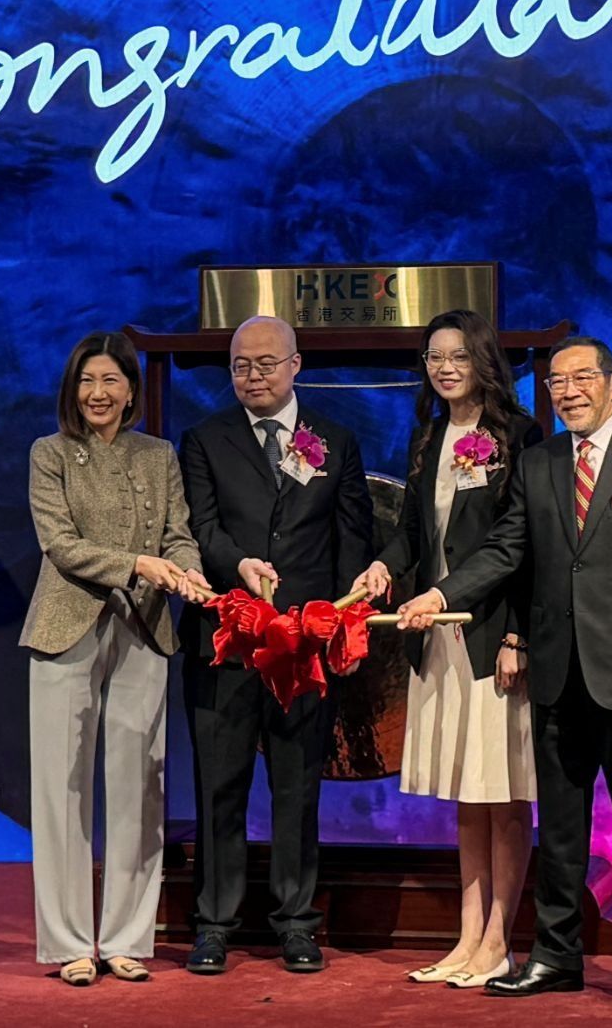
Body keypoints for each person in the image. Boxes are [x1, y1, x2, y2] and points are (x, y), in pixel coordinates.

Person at [398, 335, 612, 1014]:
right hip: (556, 669)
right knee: (560, 829)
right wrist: (442, 594)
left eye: (582, 377)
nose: (569, 391)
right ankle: (556, 955)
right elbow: (507, 549)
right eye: (558, 381)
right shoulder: (539, 463)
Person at [178, 315, 373, 975]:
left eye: (266, 363)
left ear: (296, 365)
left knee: (297, 788)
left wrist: (342, 619)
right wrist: (239, 565)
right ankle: (213, 923)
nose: (253, 376)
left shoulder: (336, 441)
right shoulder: (204, 440)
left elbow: (353, 539)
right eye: (241, 365)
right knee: (220, 786)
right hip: (227, 643)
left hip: (303, 648)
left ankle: (296, 921)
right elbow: (201, 526)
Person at [350, 309, 539, 989]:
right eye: (434, 356)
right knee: (469, 790)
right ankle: (467, 937)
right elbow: (414, 532)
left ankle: (499, 942)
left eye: (458, 354)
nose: (445, 367)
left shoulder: (520, 435)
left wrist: (516, 634)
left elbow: (520, 544)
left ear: (483, 359)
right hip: (439, 637)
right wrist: (384, 567)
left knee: (504, 791)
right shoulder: (429, 436)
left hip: (494, 637)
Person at [22, 330, 202, 987]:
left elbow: (178, 534)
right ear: (72, 390)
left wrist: (186, 570)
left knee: (138, 789)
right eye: (86, 381)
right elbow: (60, 544)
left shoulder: (158, 454)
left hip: (144, 627)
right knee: (63, 787)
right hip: (64, 626)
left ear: (131, 391)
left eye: (110, 380)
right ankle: (69, 943)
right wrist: (137, 564)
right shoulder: (50, 453)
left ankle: (127, 938)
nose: (97, 393)